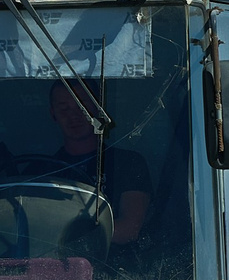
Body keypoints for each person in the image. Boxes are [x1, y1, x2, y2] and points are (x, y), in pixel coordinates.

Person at [38, 80, 152, 249]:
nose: (74, 115)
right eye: (64, 108)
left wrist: (72, 237)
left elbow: (129, 230)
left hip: (119, 265)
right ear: (53, 114)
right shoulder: (40, 173)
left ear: (99, 110)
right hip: (51, 263)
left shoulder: (128, 163)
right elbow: (28, 232)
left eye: (82, 107)